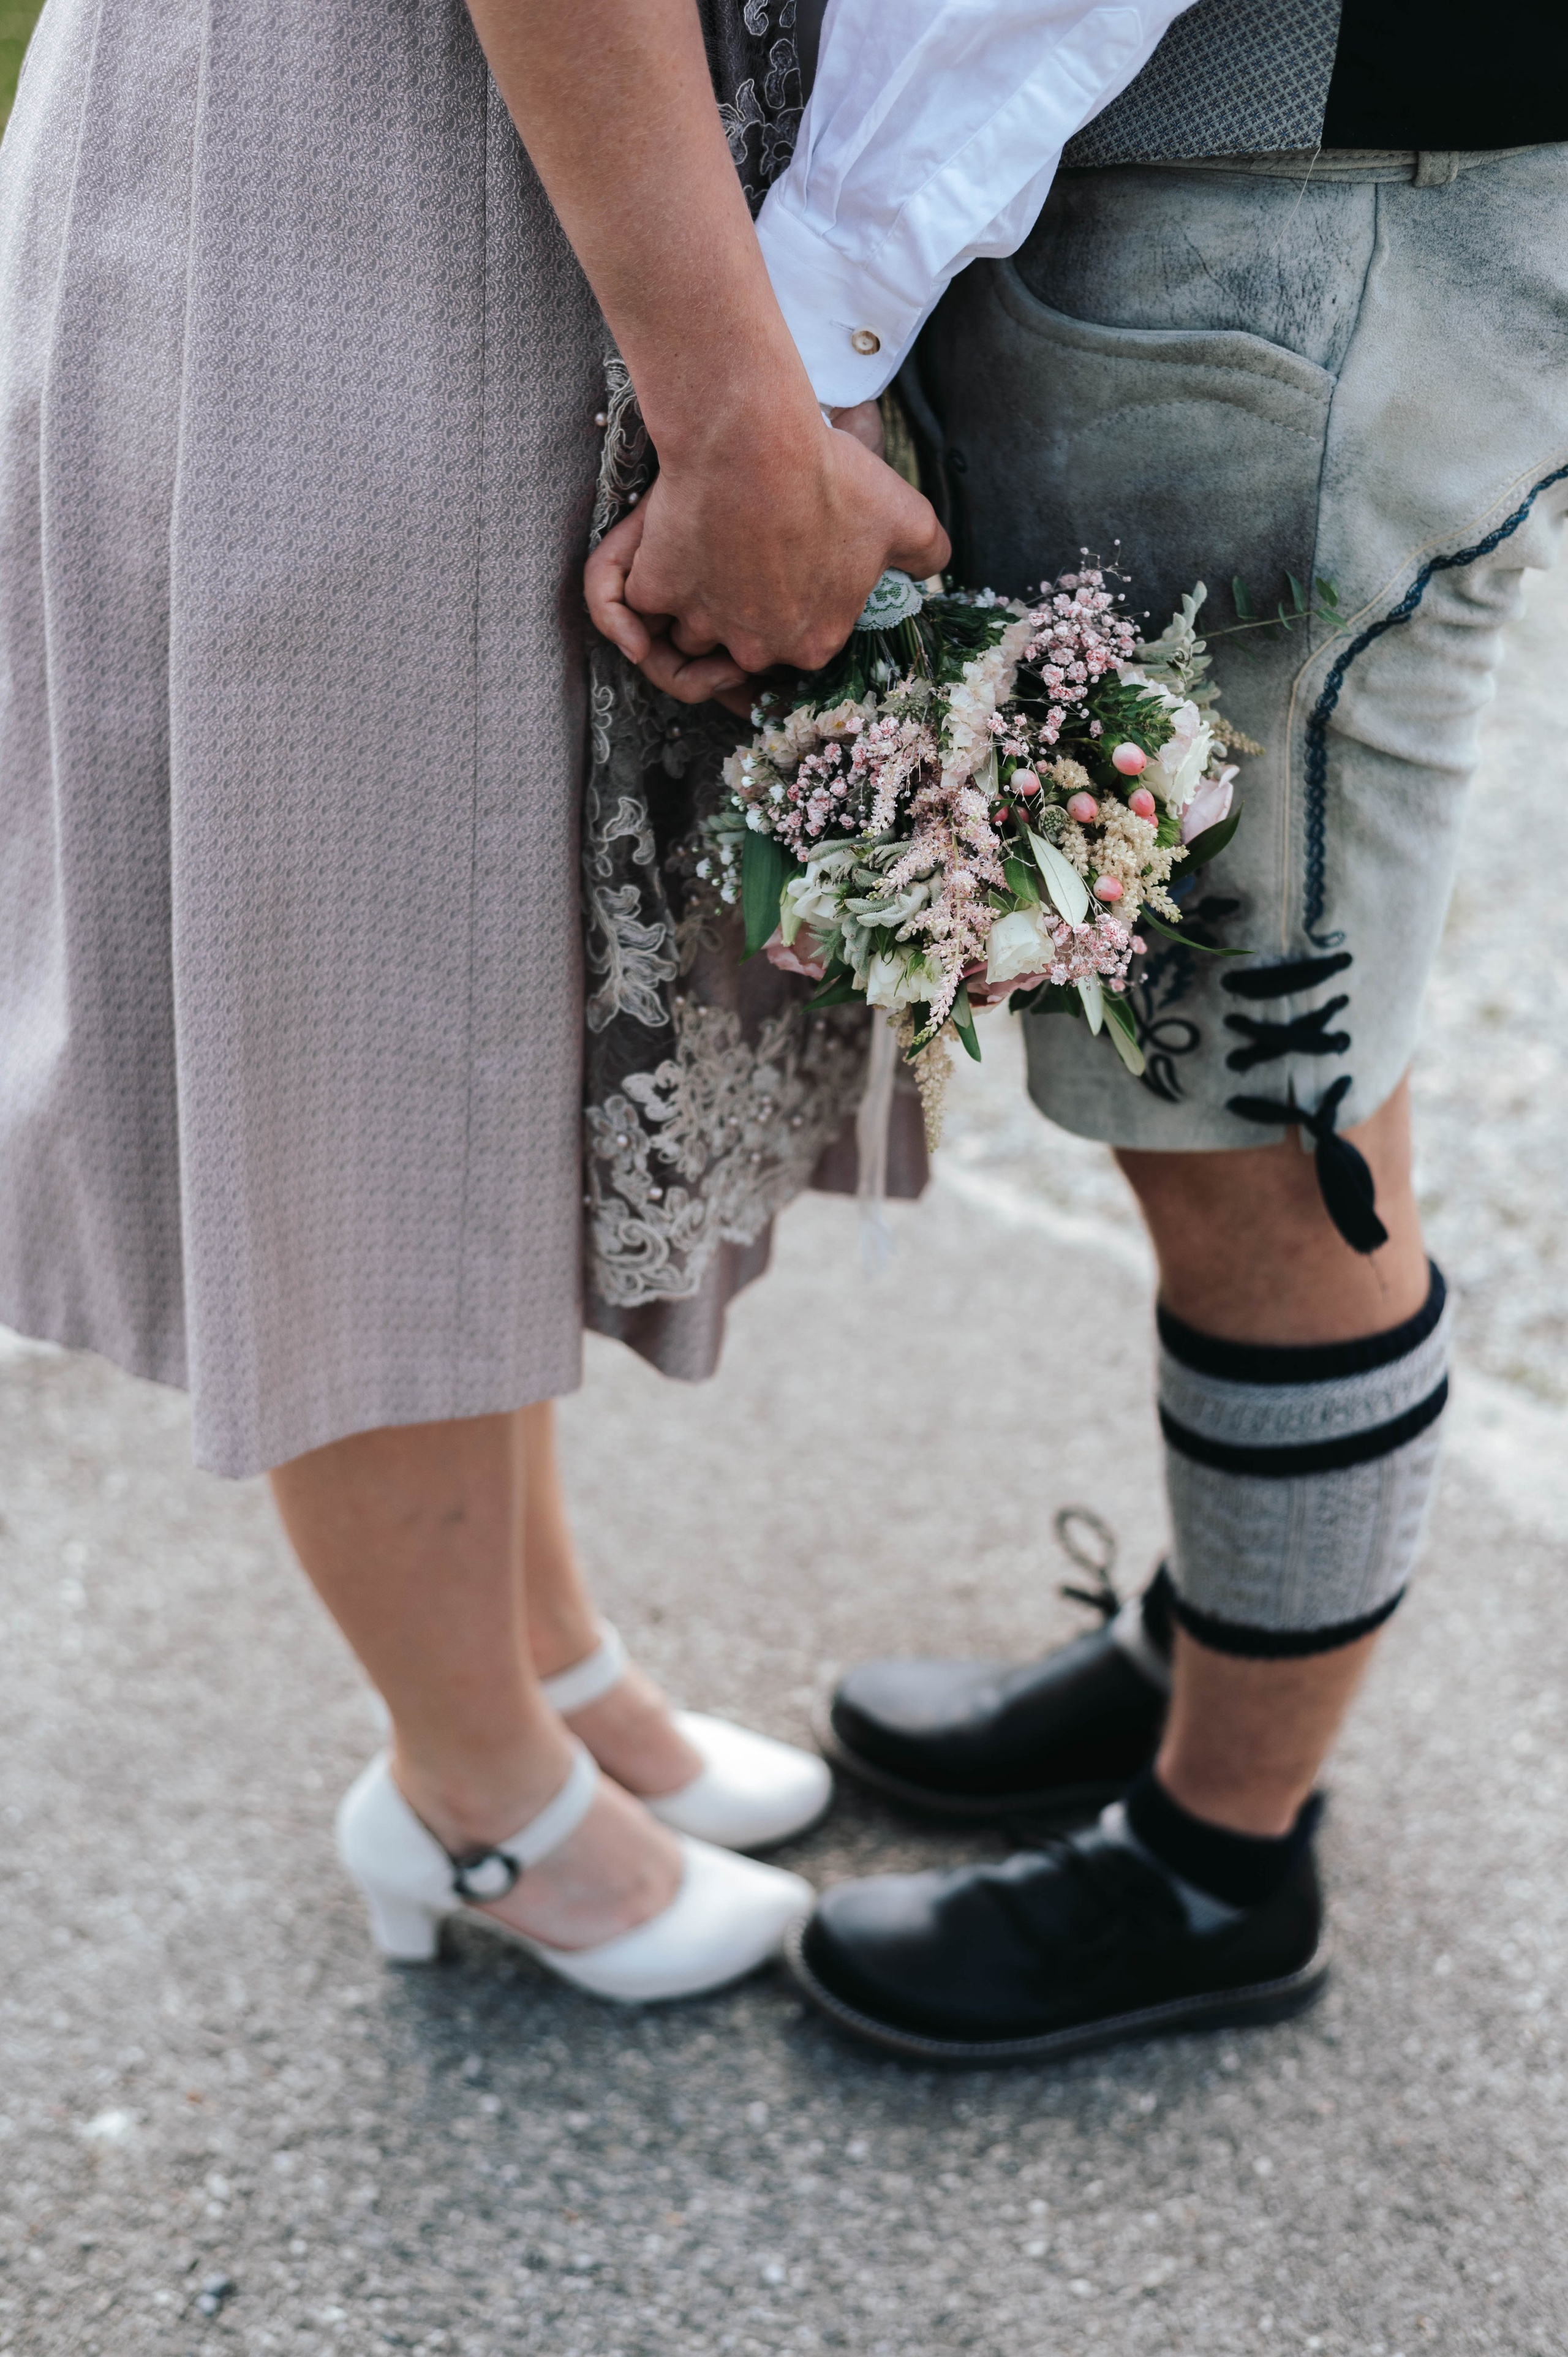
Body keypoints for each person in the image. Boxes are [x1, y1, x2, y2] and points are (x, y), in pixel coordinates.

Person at [616, 0, 1568, 2061]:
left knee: (1254, 1107)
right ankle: (1236, 1630)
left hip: (1302, 190)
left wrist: (815, 305)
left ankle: (1224, 1856)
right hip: (1320, 183)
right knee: (1281, 1029)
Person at [0, 0, 953, 2001]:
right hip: (352, 175)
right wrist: (736, 412)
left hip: (547, 176)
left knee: (482, 986)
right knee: (362, 1006)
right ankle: (473, 1791)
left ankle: (542, 1665)